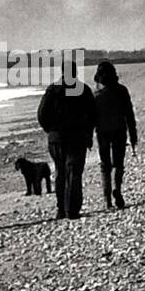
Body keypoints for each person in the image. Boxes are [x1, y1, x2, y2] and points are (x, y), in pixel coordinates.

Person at [36, 59, 97, 219]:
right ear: (75, 72)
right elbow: (93, 116)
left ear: (62, 72)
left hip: (56, 139)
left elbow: (42, 114)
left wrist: (50, 130)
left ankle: (61, 209)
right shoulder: (83, 90)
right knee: (74, 173)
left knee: (60, 172)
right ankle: (72, 210)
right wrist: (88, 134)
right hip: (76, 138)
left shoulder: (53, 90)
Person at [92, 61, 138, 210]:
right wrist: (133, 134)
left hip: (102, 132)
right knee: (118, 163)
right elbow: (129, 114)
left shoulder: (96, 95)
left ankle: (107, 200)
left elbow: (91, 118)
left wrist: (87, 137)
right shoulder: (122, 91)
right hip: (119, 129)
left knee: (105, 165)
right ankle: (117, 189)